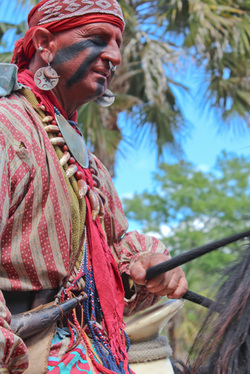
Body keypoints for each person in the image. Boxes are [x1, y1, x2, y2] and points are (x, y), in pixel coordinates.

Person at [0, 1, 188, 373]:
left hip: (92, 345)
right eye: (97, 38)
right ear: (44, 43)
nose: (114, 56)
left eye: (118, 42)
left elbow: (107, 277)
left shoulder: (91, 166)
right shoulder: (8, 130)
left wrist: (146, 271)